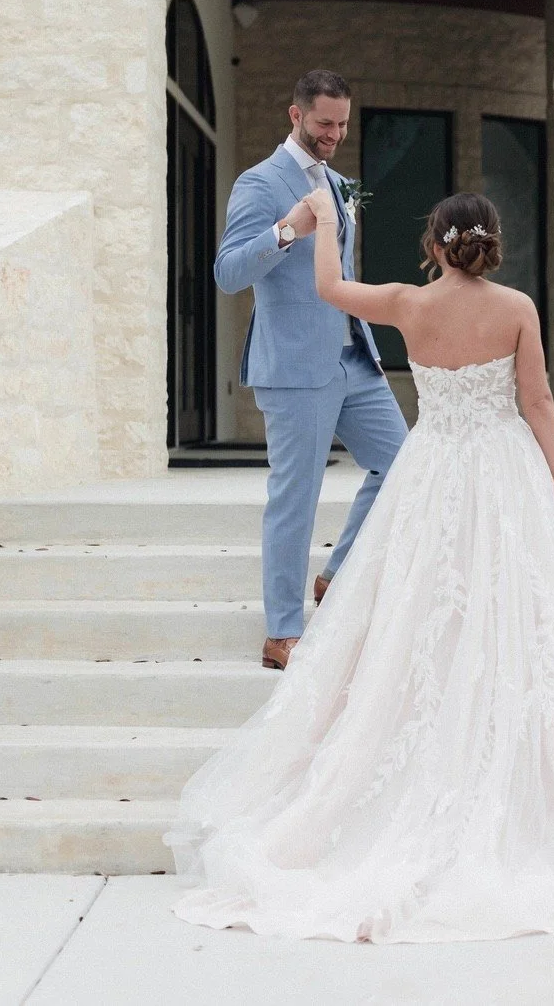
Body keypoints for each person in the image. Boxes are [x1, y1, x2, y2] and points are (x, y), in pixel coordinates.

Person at [163, 189, 554, 942]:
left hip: (432, 475)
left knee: (420, 609)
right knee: (501, 611)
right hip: (501, 477)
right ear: (491, 244)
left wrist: (325, 223)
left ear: (434, 244)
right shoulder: (517, 308)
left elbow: (329, 288)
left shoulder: (406, 303)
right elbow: (539, 402)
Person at [211, 69, 408, 670]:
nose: (335, 134)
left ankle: (337, 573)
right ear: (295, 115)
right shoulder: (258, 182)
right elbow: (228, 273)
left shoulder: (342, 185)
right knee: (295, 498)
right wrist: (286, 230)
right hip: (295, 365)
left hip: (354, 356)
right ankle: (281, 633)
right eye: (325, 123)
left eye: (343, 124)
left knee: (404, 465)